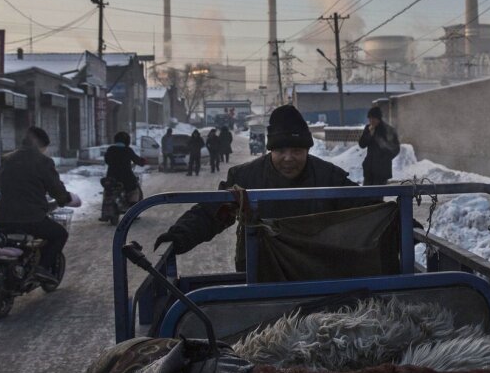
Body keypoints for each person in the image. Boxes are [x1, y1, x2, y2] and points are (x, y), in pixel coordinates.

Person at [156, 104, 372, 269]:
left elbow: (368, 209)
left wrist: (399, 221)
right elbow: (211, 213)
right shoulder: (245, 178)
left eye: (296, 151)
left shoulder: (330, 178)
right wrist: (179, 236)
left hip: (315, 274)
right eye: (280, 151)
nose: (288, 158)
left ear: (307, 150)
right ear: (271, 151)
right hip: (262, 276)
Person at [0, 126, 82, 282]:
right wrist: (65, 199)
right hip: (31, 219)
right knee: (59, 234)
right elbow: (56, 190)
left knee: (11, 241)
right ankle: (42, 268)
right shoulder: (43, 161)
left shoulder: (7, 159)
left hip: (2, 218)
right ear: (41, 146)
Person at [358, 106, 400, 186]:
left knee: (378, 195)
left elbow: (396, 149)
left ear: (378, 118)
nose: (371, 121)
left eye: (373, 119)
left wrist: (385, 159)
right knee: (366, 195)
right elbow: (362, 144)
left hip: (382, 170)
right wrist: (369, 134)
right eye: (369, 119)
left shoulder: (388, 130)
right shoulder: (368, 128)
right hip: (369, 169)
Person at [104, 131, 146, 207]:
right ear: (127, 141)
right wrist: (143, 161)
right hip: (126, 177)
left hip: (111, 176)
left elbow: (107, 160)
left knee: (107, 189)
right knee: (134, 189)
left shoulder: (110, 149)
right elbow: (138, 161)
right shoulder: (128, 150)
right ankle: (133, 209)